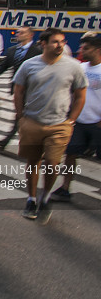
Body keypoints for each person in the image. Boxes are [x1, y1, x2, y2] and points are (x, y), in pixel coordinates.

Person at [13, 28, 87, 222]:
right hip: (32, 122)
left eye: (62, 41)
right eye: (55, 41)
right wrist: (21, 117)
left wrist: (71, 119)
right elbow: (18, 91)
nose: (60, 45)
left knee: (53, 164)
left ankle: (45, 196)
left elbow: (80, 94)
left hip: (59, 125)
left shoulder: (73, 66)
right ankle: (31, 198)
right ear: (43, 44)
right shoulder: (29, 65)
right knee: (32, 162)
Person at [52, 33, 101, 200]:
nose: (81, 50)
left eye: (86, 48)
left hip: (98, 123)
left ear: (98, 50)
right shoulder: (81, 68)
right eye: (82, 47)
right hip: (79, 121)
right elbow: (72, 92)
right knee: (70, 155)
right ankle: (65, 188)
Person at [0, 26, 41, 148]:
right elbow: (2, 67)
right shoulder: (12, 50)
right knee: (20, 114)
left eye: (22, 32)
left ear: (30, 35)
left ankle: (26, 141)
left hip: (33, 89)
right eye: (18, 32)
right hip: (18, 89)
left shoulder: (38, 51)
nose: (18, 34)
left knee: (25, 115)